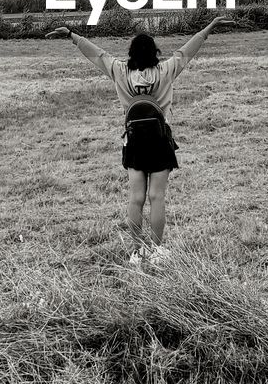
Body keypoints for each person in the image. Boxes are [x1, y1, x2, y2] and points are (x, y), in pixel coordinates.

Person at [45, 16, 229, 263]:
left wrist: (71, 35)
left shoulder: (120, 71)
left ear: (131, 53)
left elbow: (96, 54)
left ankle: (137, 251)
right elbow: (189, 49)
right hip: (160, 140)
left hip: (133, 142)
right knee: (157, 197)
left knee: (136, 198)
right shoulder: (165, 71)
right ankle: (157, 251)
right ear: (155, 53)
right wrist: (210, 26)